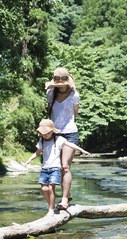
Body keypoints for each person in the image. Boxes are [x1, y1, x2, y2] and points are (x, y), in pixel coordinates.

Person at [24, 119, 90, 215]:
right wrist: (29, 160)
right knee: (44, 189)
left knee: (51, 188)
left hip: (55, 169)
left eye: (47, 133)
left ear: (52, 131)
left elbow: (70, 144)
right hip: (44, 169)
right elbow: (37, 153)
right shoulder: (41, 141)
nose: (45, 135)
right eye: (43, 133)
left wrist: (82, 150)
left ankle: (50, 209)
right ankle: (52, 204)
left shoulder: (59, 139)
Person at [45, 67, 80, 210]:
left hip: (70, 133)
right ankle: (64, 194)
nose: (61, 86)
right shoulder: (50, 93)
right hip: (55, 134)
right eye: (58, 83)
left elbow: (75, 114)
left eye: (64, 83)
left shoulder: (74, 95)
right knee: (57, 167)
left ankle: (65, 199)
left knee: (65, 166)